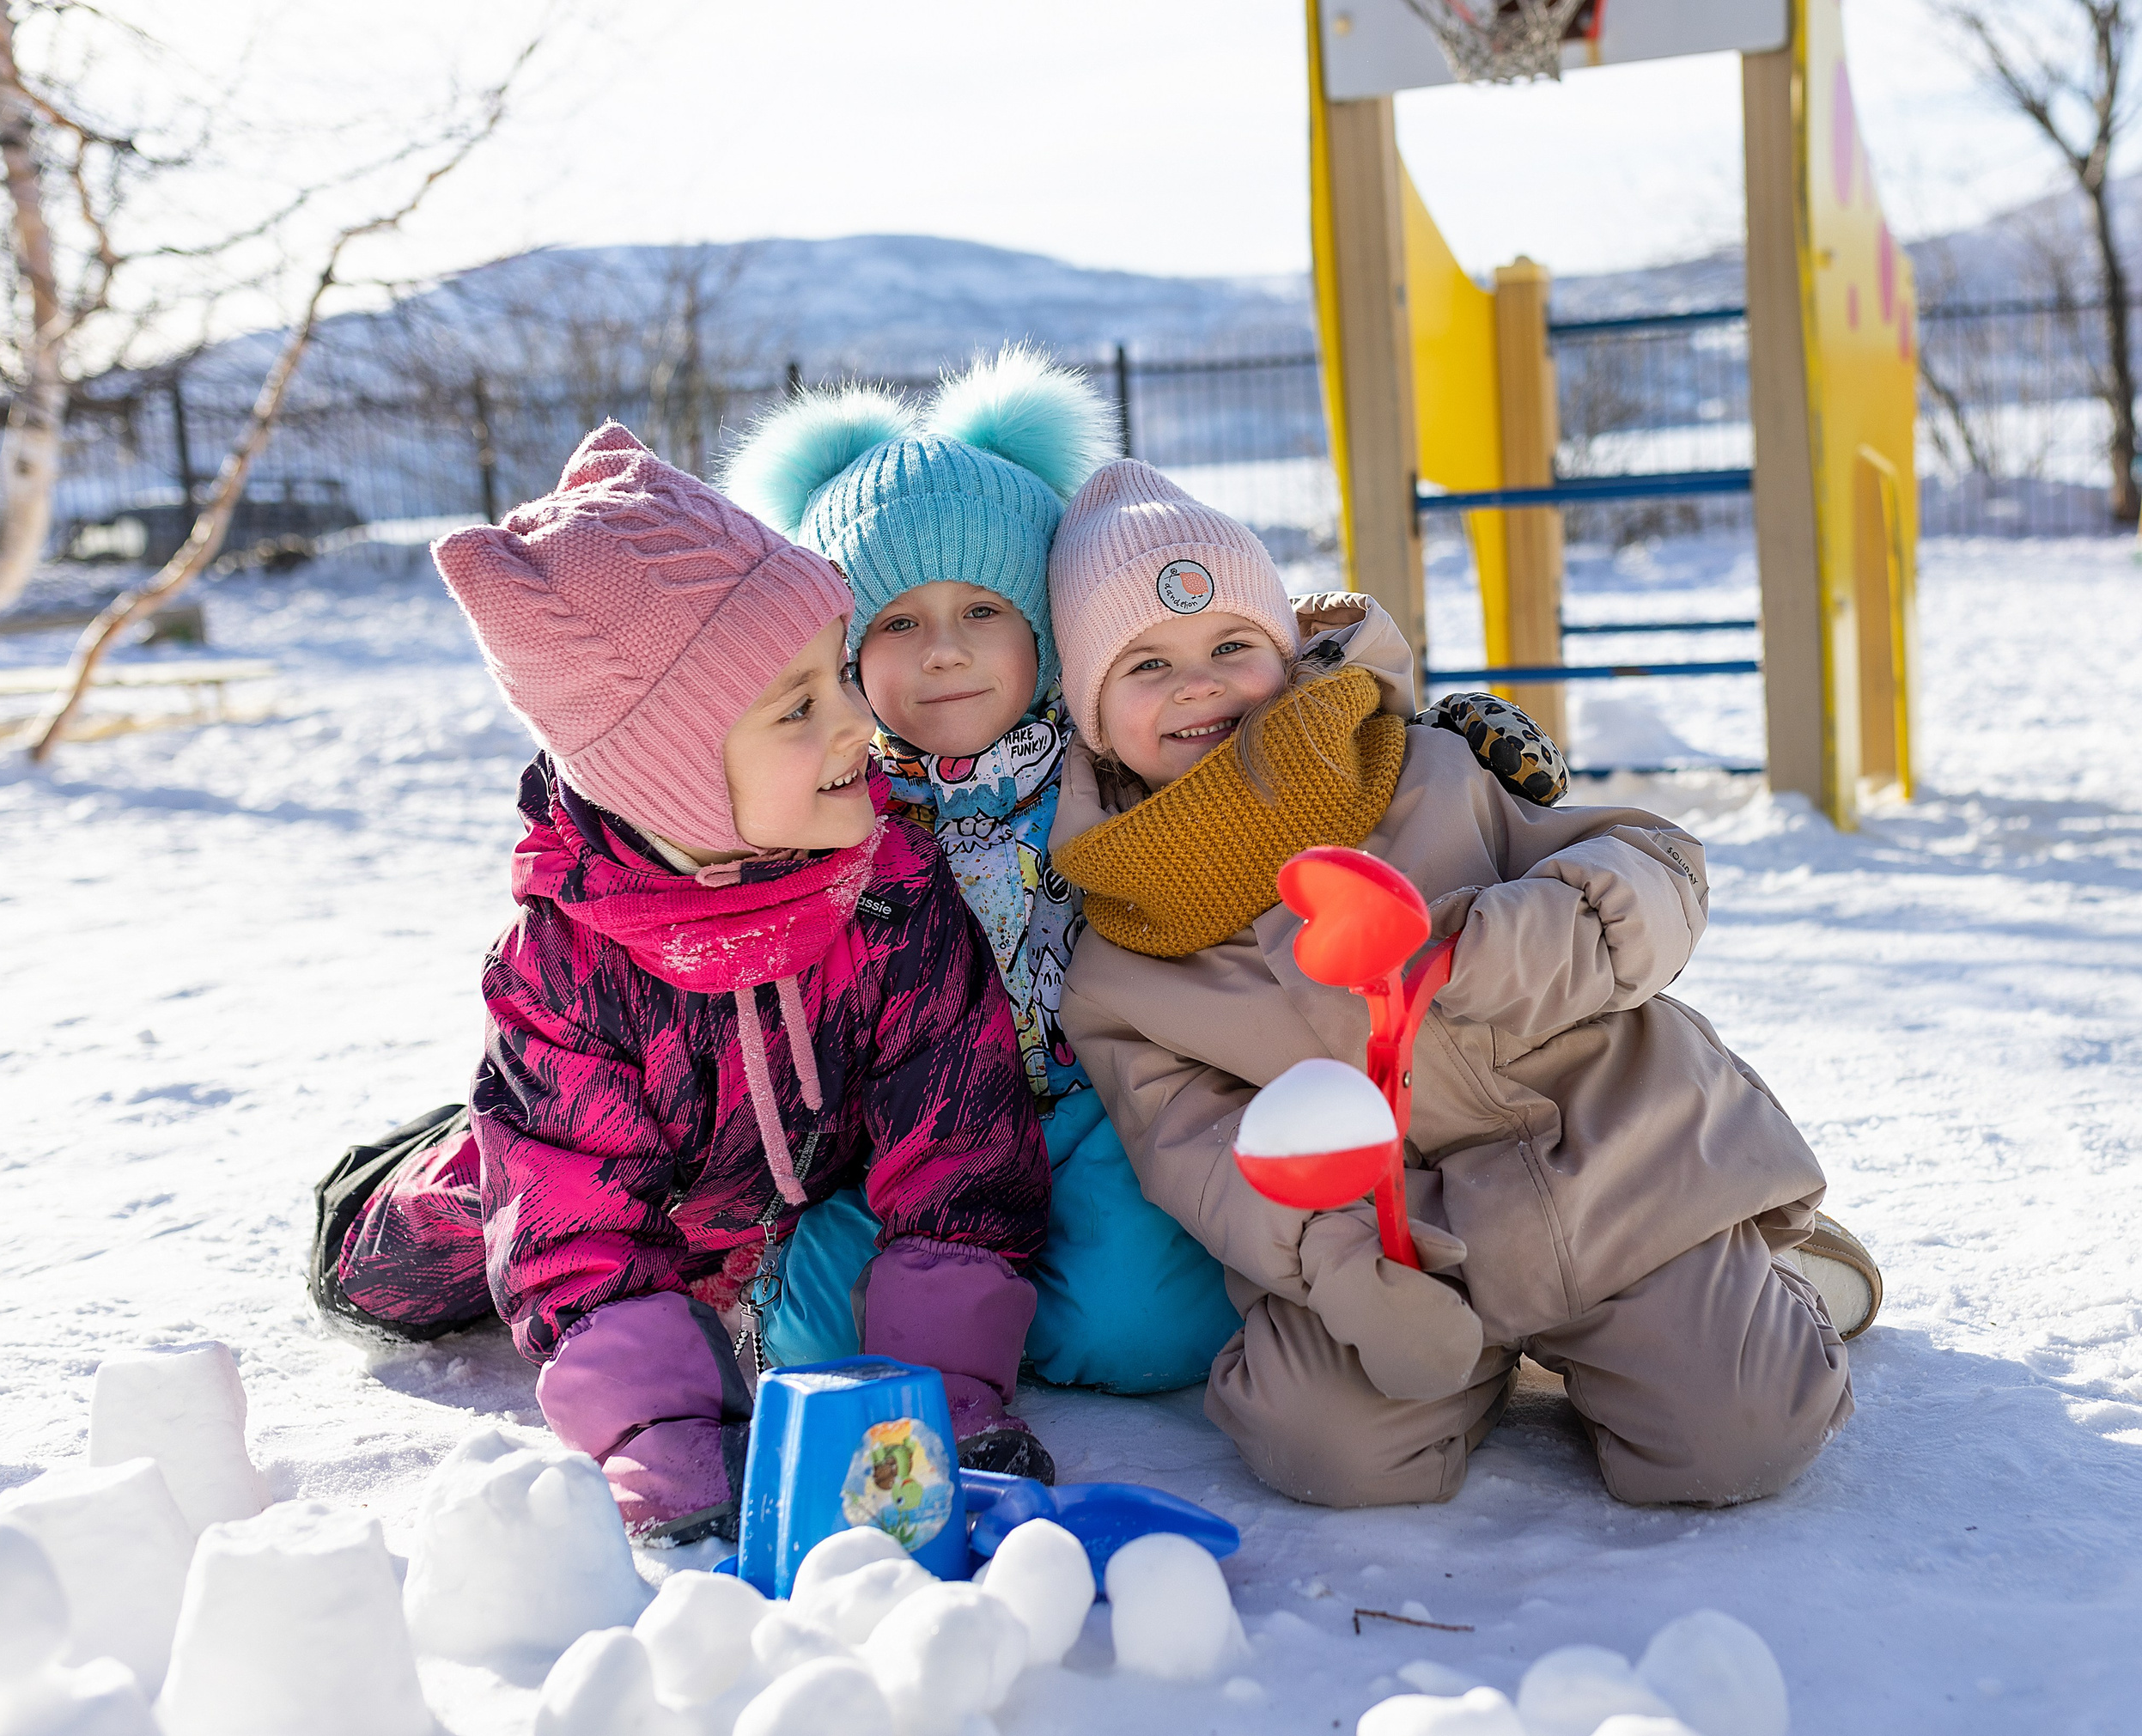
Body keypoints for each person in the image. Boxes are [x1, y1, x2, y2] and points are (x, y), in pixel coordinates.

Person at [1046, 457, 1879, 1509]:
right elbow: (1201, 1149)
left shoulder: (1422, 766)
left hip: (1614, 1166)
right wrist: (1337, 1261)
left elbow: (1655, 864)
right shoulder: (1123, 956)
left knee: (1738, 1439)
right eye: (1146, 664)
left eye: (1229, 645)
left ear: (1285, 650)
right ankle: (1483, 1357)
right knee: (1323, 1448)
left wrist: (1511, 941)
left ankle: (1760, 1279)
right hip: (1405, 1238)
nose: (1197, 682)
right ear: (1089, 713)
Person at [310, 425, 1053, 1541]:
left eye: (841, 673)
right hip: (573, 1179)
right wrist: (667, 1440)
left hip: (753, 1181)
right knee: (406, 1271)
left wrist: (941, 1403)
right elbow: (579, 1248)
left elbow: (960, 1151)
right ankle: (437, 1159)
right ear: (672, 773)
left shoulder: (892, 892)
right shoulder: (566, 973)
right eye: (798, 707)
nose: (858, 721)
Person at [719, 348, 1243, 1392]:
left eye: (984, 611)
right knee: (816, 1342)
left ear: (1045, 627)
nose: (944, 651)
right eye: (897, 622)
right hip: (904, 1133)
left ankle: (1014, 1305)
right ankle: (949, 1300)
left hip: (1088, 1110)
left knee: (1142, 1334)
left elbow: (1266, 703)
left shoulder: (1115, 754)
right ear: (842, 653)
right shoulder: (830, 801)